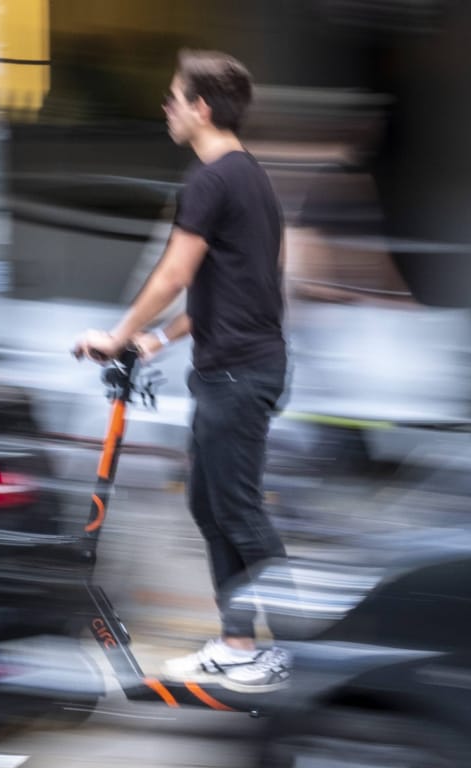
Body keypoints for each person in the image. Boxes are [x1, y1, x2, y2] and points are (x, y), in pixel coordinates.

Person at [71, 50, 291, 692]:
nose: (166, 108)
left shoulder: (212, 181)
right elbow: (232, 288)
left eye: (173, 98)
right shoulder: (250, 178)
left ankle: (307, 654)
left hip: (238, 375)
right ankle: (238, 642)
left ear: (200, 108)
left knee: (239, 512)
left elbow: (175, 273)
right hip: (237, 368)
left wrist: (115, 337)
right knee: (212, 505)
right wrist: (160, 338)